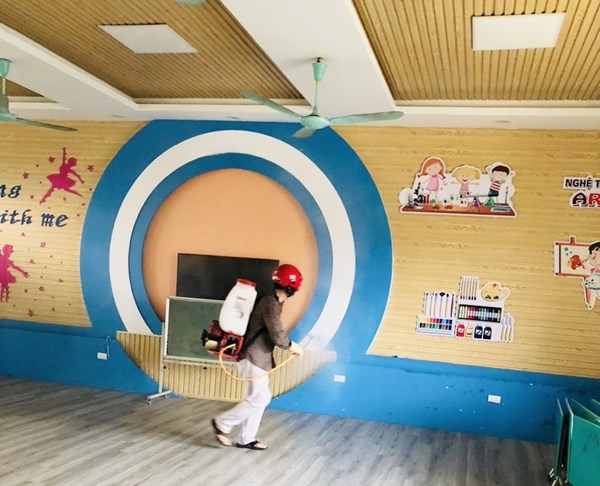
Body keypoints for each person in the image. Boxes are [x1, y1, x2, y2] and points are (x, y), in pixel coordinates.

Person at [211, 263, 304, 451]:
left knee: (256, 398)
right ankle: (223, 423)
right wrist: (291, 346)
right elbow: (276, 333)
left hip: (258, 359)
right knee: (261, 398)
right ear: (291, 286)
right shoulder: (270, 303)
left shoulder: (274, 301)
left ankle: (247, 438)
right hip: (253, 357)